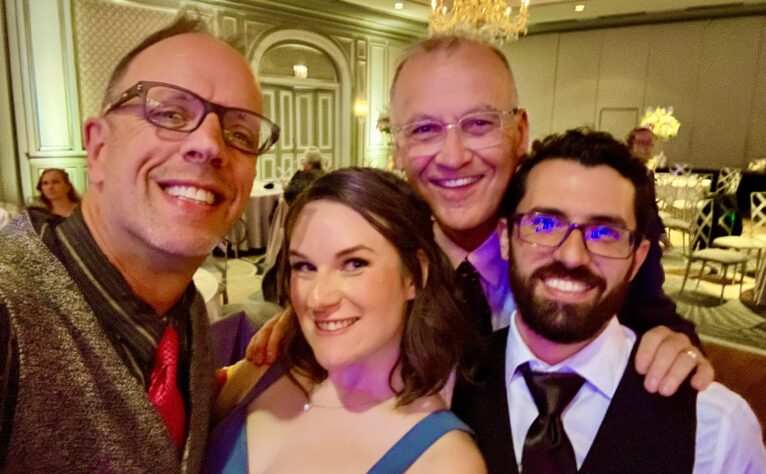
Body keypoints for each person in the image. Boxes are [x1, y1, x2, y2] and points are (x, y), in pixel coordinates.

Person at [250, 35, 714, 398]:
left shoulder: (585, 236)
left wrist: (674, 344)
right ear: (399, 148)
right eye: (425, 129)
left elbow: (654, 319)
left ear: (520, 131)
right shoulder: (388, 237)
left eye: (479, 124)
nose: (453, 157)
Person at [0, 16, 279, 472]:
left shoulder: (183, 308)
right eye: (171, 114)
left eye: (240, 134)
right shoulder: (10, 309)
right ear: (98, 149)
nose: (210, 145)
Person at [453, 129, 766, 473]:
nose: (572, 256)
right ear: (505, 239)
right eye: (543, 224)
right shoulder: (447, 385)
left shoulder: (716, 428)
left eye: (605, 233)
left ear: (637, 259)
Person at [205, 168, 486, 473]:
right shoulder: (262, 370)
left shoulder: (445, 462)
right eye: (304, 266)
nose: (318, 298)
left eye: (354, 264)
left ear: (414, 275)